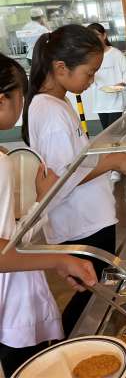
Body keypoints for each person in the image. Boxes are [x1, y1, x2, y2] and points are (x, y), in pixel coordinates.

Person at [21, 24, 126, 337]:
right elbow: (62, 178)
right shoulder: (50, 112)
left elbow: (73, 160)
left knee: (95, 292)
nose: (91, 81)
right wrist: (113, 162)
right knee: (90, 298)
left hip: (89, 218)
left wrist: (109, 157)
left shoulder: (57, 102)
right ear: (60, 68)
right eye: (89, 73)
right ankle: (73, 344)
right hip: (81, 224)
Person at [0, 53, 97, 377]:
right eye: (20, 96)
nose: (22, 106)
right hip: (10, 303)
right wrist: (58, 259)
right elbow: (3, 250)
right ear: (2, 99)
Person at [87, 23, 126, 130]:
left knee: (114, 132)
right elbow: (88, 77)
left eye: (97, 35)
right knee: (107, 133)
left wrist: (123, 83)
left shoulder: (116, 54)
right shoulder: (89, 57)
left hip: (116, 102)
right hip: (100, 102)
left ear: (104, 35)